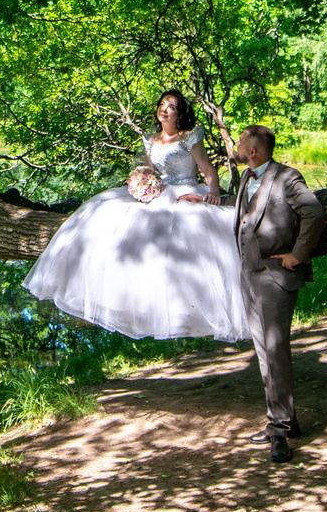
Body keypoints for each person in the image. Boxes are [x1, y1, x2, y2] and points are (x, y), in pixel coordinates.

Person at [24, 89, 249, 342]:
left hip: (186, 191)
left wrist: (214, 193)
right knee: (107, 214)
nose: (164, 109)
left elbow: (208, 170)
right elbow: (150, 172)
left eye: (171, 106)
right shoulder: (151, 140)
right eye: (162, 104)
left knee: (185, 235)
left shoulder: (189, 137)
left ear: (180, 113)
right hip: (159, 193)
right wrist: (142, 187)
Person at [229, 123, 327, 463]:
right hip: (250, 274)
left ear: (252, 151)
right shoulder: (246, 177)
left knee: (275, 350)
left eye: (241, 141)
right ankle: (283, 421)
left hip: (275, 277)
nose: (237, 145)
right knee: (263, 353)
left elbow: (313, 211)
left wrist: (298, 254)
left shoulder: (287, 177)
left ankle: (281, 432)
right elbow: (246, 215)